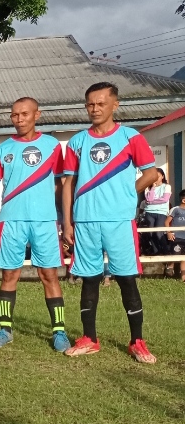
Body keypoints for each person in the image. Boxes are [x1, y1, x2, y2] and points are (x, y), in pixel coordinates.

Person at [62, 82, 159, 363]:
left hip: (119, 221)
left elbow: (151, 173)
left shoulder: (131, 138)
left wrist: (127, 195)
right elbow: (68, 183)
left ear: (114, 105)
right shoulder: (78, 141)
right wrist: (67, 221)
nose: (95, 109)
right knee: (89, 279)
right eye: (90, 104)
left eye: (101, 104)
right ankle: (89, 338)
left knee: (126, 279)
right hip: (85, 221)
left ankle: (137, 342)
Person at [0, 97, 70, 352]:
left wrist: (65, 218)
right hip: (11, 220)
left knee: (49, 275)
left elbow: (61, 185)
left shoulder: (52, 146)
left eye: (24, 114)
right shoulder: (2, 150)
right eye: (14, 115)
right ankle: (5, 330)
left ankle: (59, 332)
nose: (19, 119)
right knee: (9, 275)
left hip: (44, 220)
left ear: (37, 115)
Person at [143, 168, 172, 258]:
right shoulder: (148, 188)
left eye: (158, 176)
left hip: (161, 212)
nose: (156, 178)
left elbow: (165, 199)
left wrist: (151, 202)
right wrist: (153, 188)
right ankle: (156, 251)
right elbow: (148, 200)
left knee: (159, 232)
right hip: (149, 212)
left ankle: (166, 252)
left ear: (162, 176)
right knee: (151, 232)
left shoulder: (166, 186)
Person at [165, 190, 185, 280]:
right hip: (177, 237)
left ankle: (183, 278)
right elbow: (167, 222)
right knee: (175, 254)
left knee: (183, 258)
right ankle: (169, 268)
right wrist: (169, 232)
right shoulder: (175, 209)